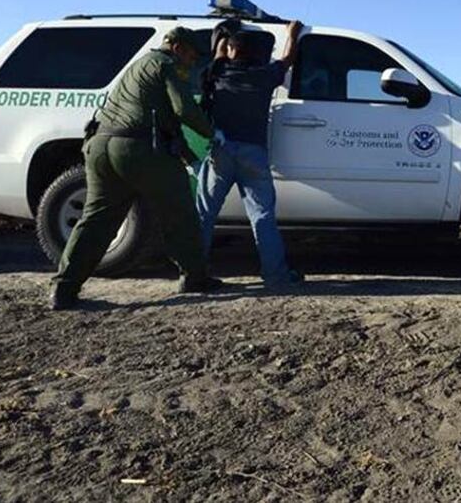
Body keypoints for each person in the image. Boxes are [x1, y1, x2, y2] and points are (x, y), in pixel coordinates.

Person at [50, 27, 227, 310]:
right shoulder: (168, 65)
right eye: (192, 55)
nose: (193, 62)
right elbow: (182, 109)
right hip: (137, 149)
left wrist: (187, 154)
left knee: (96, 220)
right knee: (180, 212)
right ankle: (195, 277)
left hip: (100, 146)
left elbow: (163, 119)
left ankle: (64, 288)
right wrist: (211, 132)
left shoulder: (139, 65)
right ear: (177, 47)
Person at [196, 20, 304, 288]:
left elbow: (219, 54)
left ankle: (193, 273)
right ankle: (276, 276)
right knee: (262, 216)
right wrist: (292, 33)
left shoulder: (218, 73)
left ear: (232, 50)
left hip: (221, 151)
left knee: (204, 214)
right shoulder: (264, 75)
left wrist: (225, 35)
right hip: (253, 153)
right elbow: (288, 59)